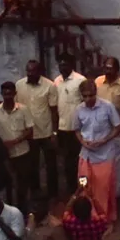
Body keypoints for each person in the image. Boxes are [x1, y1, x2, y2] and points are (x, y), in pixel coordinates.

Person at [74, 79, 120, 222]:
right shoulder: (79, 109)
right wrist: (83, 142)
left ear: (95, 93)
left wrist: (104, 140)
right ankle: (87, 215)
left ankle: (105, 217)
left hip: (105, 155)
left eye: (90, 95)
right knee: (84, 185)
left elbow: (118, 127)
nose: (88, 99)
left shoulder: (107, 107)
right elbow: (77, 130)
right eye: (85, 96)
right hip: (86, 155)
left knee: (104, 189)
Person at [17, 60, 60, 199]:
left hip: (46, 132)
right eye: (28, 71)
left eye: (33, 71)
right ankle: (36, 191)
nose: (30, 74)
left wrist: (54, 132)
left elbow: (54, 110)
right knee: (32, 165)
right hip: (29, 133)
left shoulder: (50, 86)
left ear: (39, 72)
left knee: (51, 165)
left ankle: (53, 193)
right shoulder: (19, 85)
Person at [0, 81, 35, 209]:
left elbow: (30, 130)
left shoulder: (23, 109)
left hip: (22, 152)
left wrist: (15, 141)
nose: (8, 96)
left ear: (15, 93)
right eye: (5, 94)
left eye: (10, 94)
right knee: (7, 182)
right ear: (1, 94)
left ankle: (22, 208)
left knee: (22, 182)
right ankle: (8, 208)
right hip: (4, 156)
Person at [94, 56, 120, 189]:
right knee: (102, 162)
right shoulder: (98, 82)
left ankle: (119, 191)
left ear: (117, 70)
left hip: (117, 131)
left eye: (110, 68)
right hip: (100, 130)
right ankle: (103, 188)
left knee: (118, 163)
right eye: (105, 68)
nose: (107, 71)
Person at [54, 54, 87, 193]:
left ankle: (84, 189)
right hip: (63, 128)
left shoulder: (80, 80)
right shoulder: (56, 81)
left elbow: (86, 103)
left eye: (65, 64)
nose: (63, 67)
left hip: (78, 129)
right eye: (60, 64)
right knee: (67, 162)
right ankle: (71, 190)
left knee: (80, 161)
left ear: (71, 65)